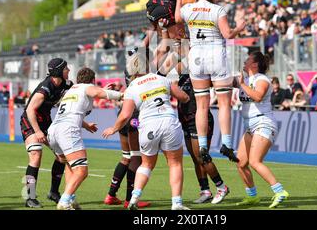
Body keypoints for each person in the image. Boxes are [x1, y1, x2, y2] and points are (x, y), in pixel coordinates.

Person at [102, 52, 190, 210]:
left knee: (146, 164)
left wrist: (113, 128)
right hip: (168, 121)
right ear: (148, 65)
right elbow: (182, 97)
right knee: (175, 164)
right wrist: (187, 97)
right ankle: (176, 203)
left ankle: (134, 197)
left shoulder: (132, 87)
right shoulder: (163, 79)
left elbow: (125, 114)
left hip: (147, 126)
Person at [175, 0, 246, 164]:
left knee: (201, 106)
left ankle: (203, 146)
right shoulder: (217, 10)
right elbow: (228, 34)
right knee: (224, 104)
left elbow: (176, 19)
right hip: (215, 55)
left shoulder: (188, 8)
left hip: (196, 56)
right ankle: (226, 144)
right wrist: (240, 26)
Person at [47, 67, 123, 210]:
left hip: (54, 131)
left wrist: (86, 125)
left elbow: (87, 99)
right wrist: (122, 95)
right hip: (67, 131)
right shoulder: (87, 87)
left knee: (70, 166)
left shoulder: (71, 90)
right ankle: (64, 201)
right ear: (92, 80)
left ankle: (71, 199)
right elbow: (97, 92)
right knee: (82, 171)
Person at [235, 52, 289, 208]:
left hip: (263, 122)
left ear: (255, 65)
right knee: (240, 162)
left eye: (249, 59)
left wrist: (242, 85)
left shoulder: (262, 79)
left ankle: (279, 191)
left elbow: (258, 96)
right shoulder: (245, 79)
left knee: (254, 161)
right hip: (249, 125)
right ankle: (252, 196)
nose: (245, 61)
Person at [20, 58, 73, 208]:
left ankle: (53, 193)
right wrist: (37, 131)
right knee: (36, 155)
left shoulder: (66, 84)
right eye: (66, 68)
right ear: (58, 71)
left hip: (46, 121)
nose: (68, 70)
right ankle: (29, 197)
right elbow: (30, 110)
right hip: (30, 121)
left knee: (62, 156)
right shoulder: (45, 88)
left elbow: (80, 89)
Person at [177, 74, 229, 204]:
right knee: (195, 159)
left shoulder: (200, 75)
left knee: (202, 156)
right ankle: (205, 191)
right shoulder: (181, 78)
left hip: (199, 120)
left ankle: (222, 187)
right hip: (186, 121)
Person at [104, 69, 151, 209]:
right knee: (136, 157)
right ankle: (129, 200)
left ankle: (111, 195)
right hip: (133, 114)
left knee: (126, 157)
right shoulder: (140, 79)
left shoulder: (130, 74)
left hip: (124, 112)